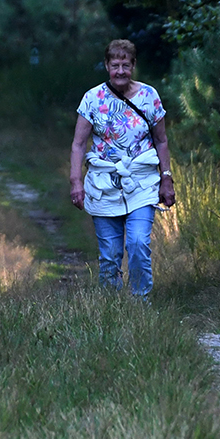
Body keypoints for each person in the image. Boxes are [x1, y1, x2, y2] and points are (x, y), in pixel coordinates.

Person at [69, 39, 175, 300]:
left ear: (133, 66)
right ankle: (112, 307)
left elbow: (161, 140)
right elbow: (78, 144)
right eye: (114, 65)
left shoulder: (149, 96)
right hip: (103, 185)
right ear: (106, 66)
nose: (120, 71)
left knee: (139, 243)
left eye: (125, 65)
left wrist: (167, 179)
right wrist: (76, 182)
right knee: (110, 254)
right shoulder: (92, 99)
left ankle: (140, 302)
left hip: (141, 182)